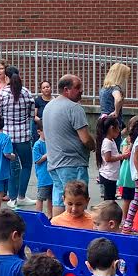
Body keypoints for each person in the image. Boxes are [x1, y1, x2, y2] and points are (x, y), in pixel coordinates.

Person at [42, 74, 94, 206]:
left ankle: (58, 226)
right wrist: (94, 145)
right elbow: (85, 139)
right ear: (66, 89)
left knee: (60, 200)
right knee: (76, 202)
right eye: (77, 87)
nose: (81, 90)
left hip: (54, 162)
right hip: (72, 163)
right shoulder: (74, 108)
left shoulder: (48, 106)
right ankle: (74, 227)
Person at [0, 67, 37, 207]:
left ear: (6, 77)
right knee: (27, 165)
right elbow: (31, 116)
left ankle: (12, 198)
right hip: (23, 135)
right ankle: (22, 195)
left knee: (12, 167)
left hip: (7, 137)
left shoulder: (1, 94)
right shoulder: (27, 93)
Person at [95, 115, 126, 203]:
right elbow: (108, 158)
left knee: (110, 199)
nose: (119, 130)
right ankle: (107, 216)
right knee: (109, 201)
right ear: (112, 128)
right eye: (118, 128)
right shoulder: (107, 142)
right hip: (108, 176)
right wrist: (122, 156)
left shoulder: (111, 140)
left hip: (111, 175)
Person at [32, 131, 54, 218]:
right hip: (43, 177)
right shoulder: (37, 145)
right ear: (39, 132)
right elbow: (37, 160)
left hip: (52, 175)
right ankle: (38, 217)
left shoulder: (51, 143)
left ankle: (50, 216)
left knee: (51, 198)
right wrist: (48, 154)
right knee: (40, 198)